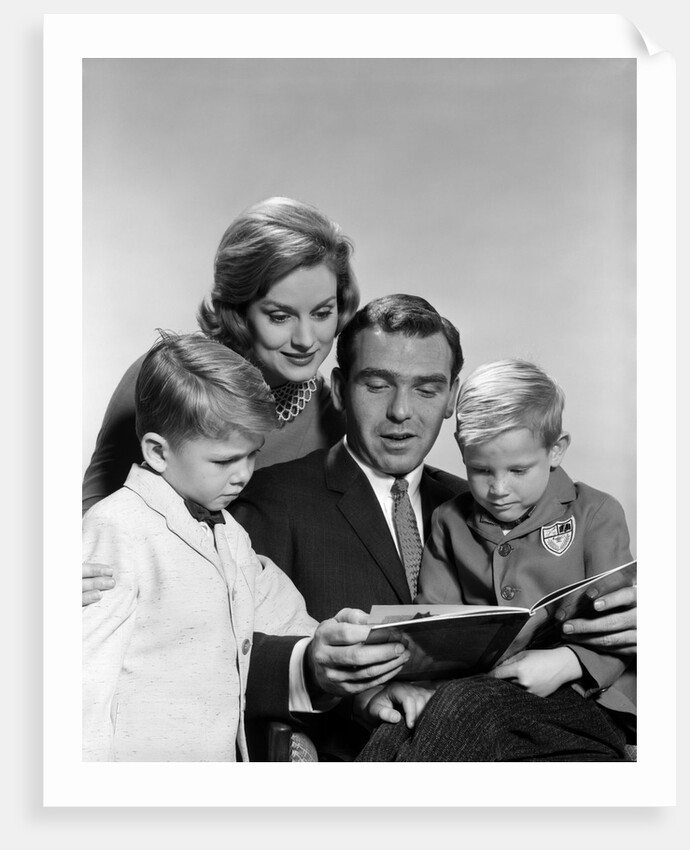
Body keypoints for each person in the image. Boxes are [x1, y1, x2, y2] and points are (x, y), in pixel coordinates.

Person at [231, 296, 638, 760]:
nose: (401, 411)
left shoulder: (490, 499)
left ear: (451, 397)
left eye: (426, 389)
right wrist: (311, 670)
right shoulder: (268, 502)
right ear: (340, 389)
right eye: (378, 385)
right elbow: (215, 648)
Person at [82, 333, 420, 761]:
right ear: (157, 452)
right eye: (224, 461)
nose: (243, 476)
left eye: (252, 455)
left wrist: (345, 652)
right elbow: (84, 682)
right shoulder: (116, 528)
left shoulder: (230, 534)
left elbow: (286, 616)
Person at [355, 358, 635, 762]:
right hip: (476, 692)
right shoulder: (449, 521)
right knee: (397, 724)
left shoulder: (595, 513)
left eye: (519, 470)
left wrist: (569, 661)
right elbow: (436, 622)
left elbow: (620, 619)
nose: (499, 489)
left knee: (471, 704)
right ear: (462, 452)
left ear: (556, 450)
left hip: (586, 699)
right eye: (481, 470)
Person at [81, 196, 360, 520]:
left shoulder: (334, 420)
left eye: (322, 312)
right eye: (280, 317)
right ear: (239, 310)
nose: (306, 340)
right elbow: (95, 517)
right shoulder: (169, 378)